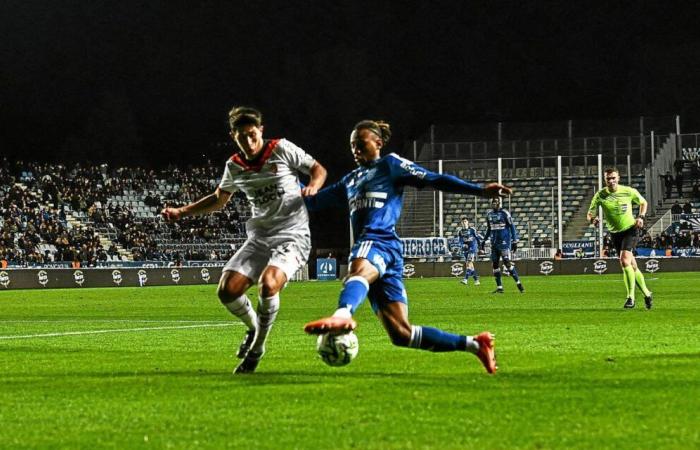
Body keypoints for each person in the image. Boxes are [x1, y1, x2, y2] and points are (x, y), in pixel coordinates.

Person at [302, 119, 510, 374]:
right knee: (401, 334)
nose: (355, 150)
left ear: (378, 143)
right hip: (383, 253)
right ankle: (476, 344)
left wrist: (478, 191)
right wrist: (287, 183)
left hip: (378, 240)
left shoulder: (390, 165)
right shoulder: (350, 180)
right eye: (352, 146)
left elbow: (435, 179)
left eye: (360, 144)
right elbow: (313, 203)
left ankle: (342, 314)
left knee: (356, 272)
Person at [161, 106, 327, 374]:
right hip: (260, 237)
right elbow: (219, 200)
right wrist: (182, 211)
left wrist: (313, 186)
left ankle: (257, 350)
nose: (249, 142)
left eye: (252, 135)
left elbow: (318, 168)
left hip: (293, 235)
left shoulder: (281, 148)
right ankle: (253, 328)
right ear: (233, 136)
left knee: (268, 285)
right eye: (242, 138)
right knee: (227, 290)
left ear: (260, 130)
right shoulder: (234, 165)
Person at [587, 168, 653, 309]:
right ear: (605, 180)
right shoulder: (600, 195)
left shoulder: (628, 191)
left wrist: (641, 217)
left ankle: (631, 298)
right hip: (615, 234)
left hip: (631, 229)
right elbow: (590, 214)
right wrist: (593, 220)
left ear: (618, 178)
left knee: (624, 261)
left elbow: (643, 203)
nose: (611, 181)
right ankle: (647, 294)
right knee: (632, 266)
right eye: (608, 179)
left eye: (613, 178)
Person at [483, 197, 525, 294]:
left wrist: (514, 241)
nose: (494, 204)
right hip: (494, 243)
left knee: (506, 262)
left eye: (495, 203)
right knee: (495, 264)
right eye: (492, 203)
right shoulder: (489, 214)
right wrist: (484, 240)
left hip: (504, 242)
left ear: (499, 203)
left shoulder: (505, 213)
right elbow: (489, 229)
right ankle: (499, 287)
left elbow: (512, 227)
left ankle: (519, 283)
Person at [457, 217, 481, 285]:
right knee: (471, 265)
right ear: (461, 223)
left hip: (472, 248)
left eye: (465, 221)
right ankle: (476, 280)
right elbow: (460, 240)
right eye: (463, 222)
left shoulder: (472, 230)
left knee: (468, 263)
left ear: (467, 222)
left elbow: (477, 238)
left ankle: (465, 279)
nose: (464, 223)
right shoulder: (460, 231)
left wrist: (480, 246)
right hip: (465, 249)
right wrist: (462, 245)